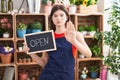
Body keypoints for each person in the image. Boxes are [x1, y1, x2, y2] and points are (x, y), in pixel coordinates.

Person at [23, 4, 92, 80]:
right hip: (48, 76)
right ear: (52, 18)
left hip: (66, 76)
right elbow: (44, 63)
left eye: (61, 15)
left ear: (66, 17)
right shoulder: (48, 36)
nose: (58, 18)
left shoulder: (76, 35)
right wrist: (31, 53)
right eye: (55, 16)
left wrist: (74, 41)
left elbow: (88, 54)